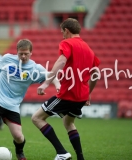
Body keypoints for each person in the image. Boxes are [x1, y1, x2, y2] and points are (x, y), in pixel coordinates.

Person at [0, 39, 60, 160]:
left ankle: (19, 152)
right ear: (17, 52)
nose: (23, 56)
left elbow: (52, 75)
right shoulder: (7, 59)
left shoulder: (35, 68)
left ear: (31, 53)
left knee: (18, 136)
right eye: (20, 53)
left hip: (12, 104)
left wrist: (58, 86)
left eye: (26, 53)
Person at [31, 18, 100, 160]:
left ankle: (61, 152)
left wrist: (45, 83)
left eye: (62, 32)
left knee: (37, 118)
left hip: (67, 95)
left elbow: (61, 61)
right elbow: (96, 74)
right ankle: (80, 157)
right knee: (68, 122)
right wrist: (88, 93)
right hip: (81, 97)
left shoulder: (67, 43)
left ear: (66, 31)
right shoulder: (88, 48)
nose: (62, 34)